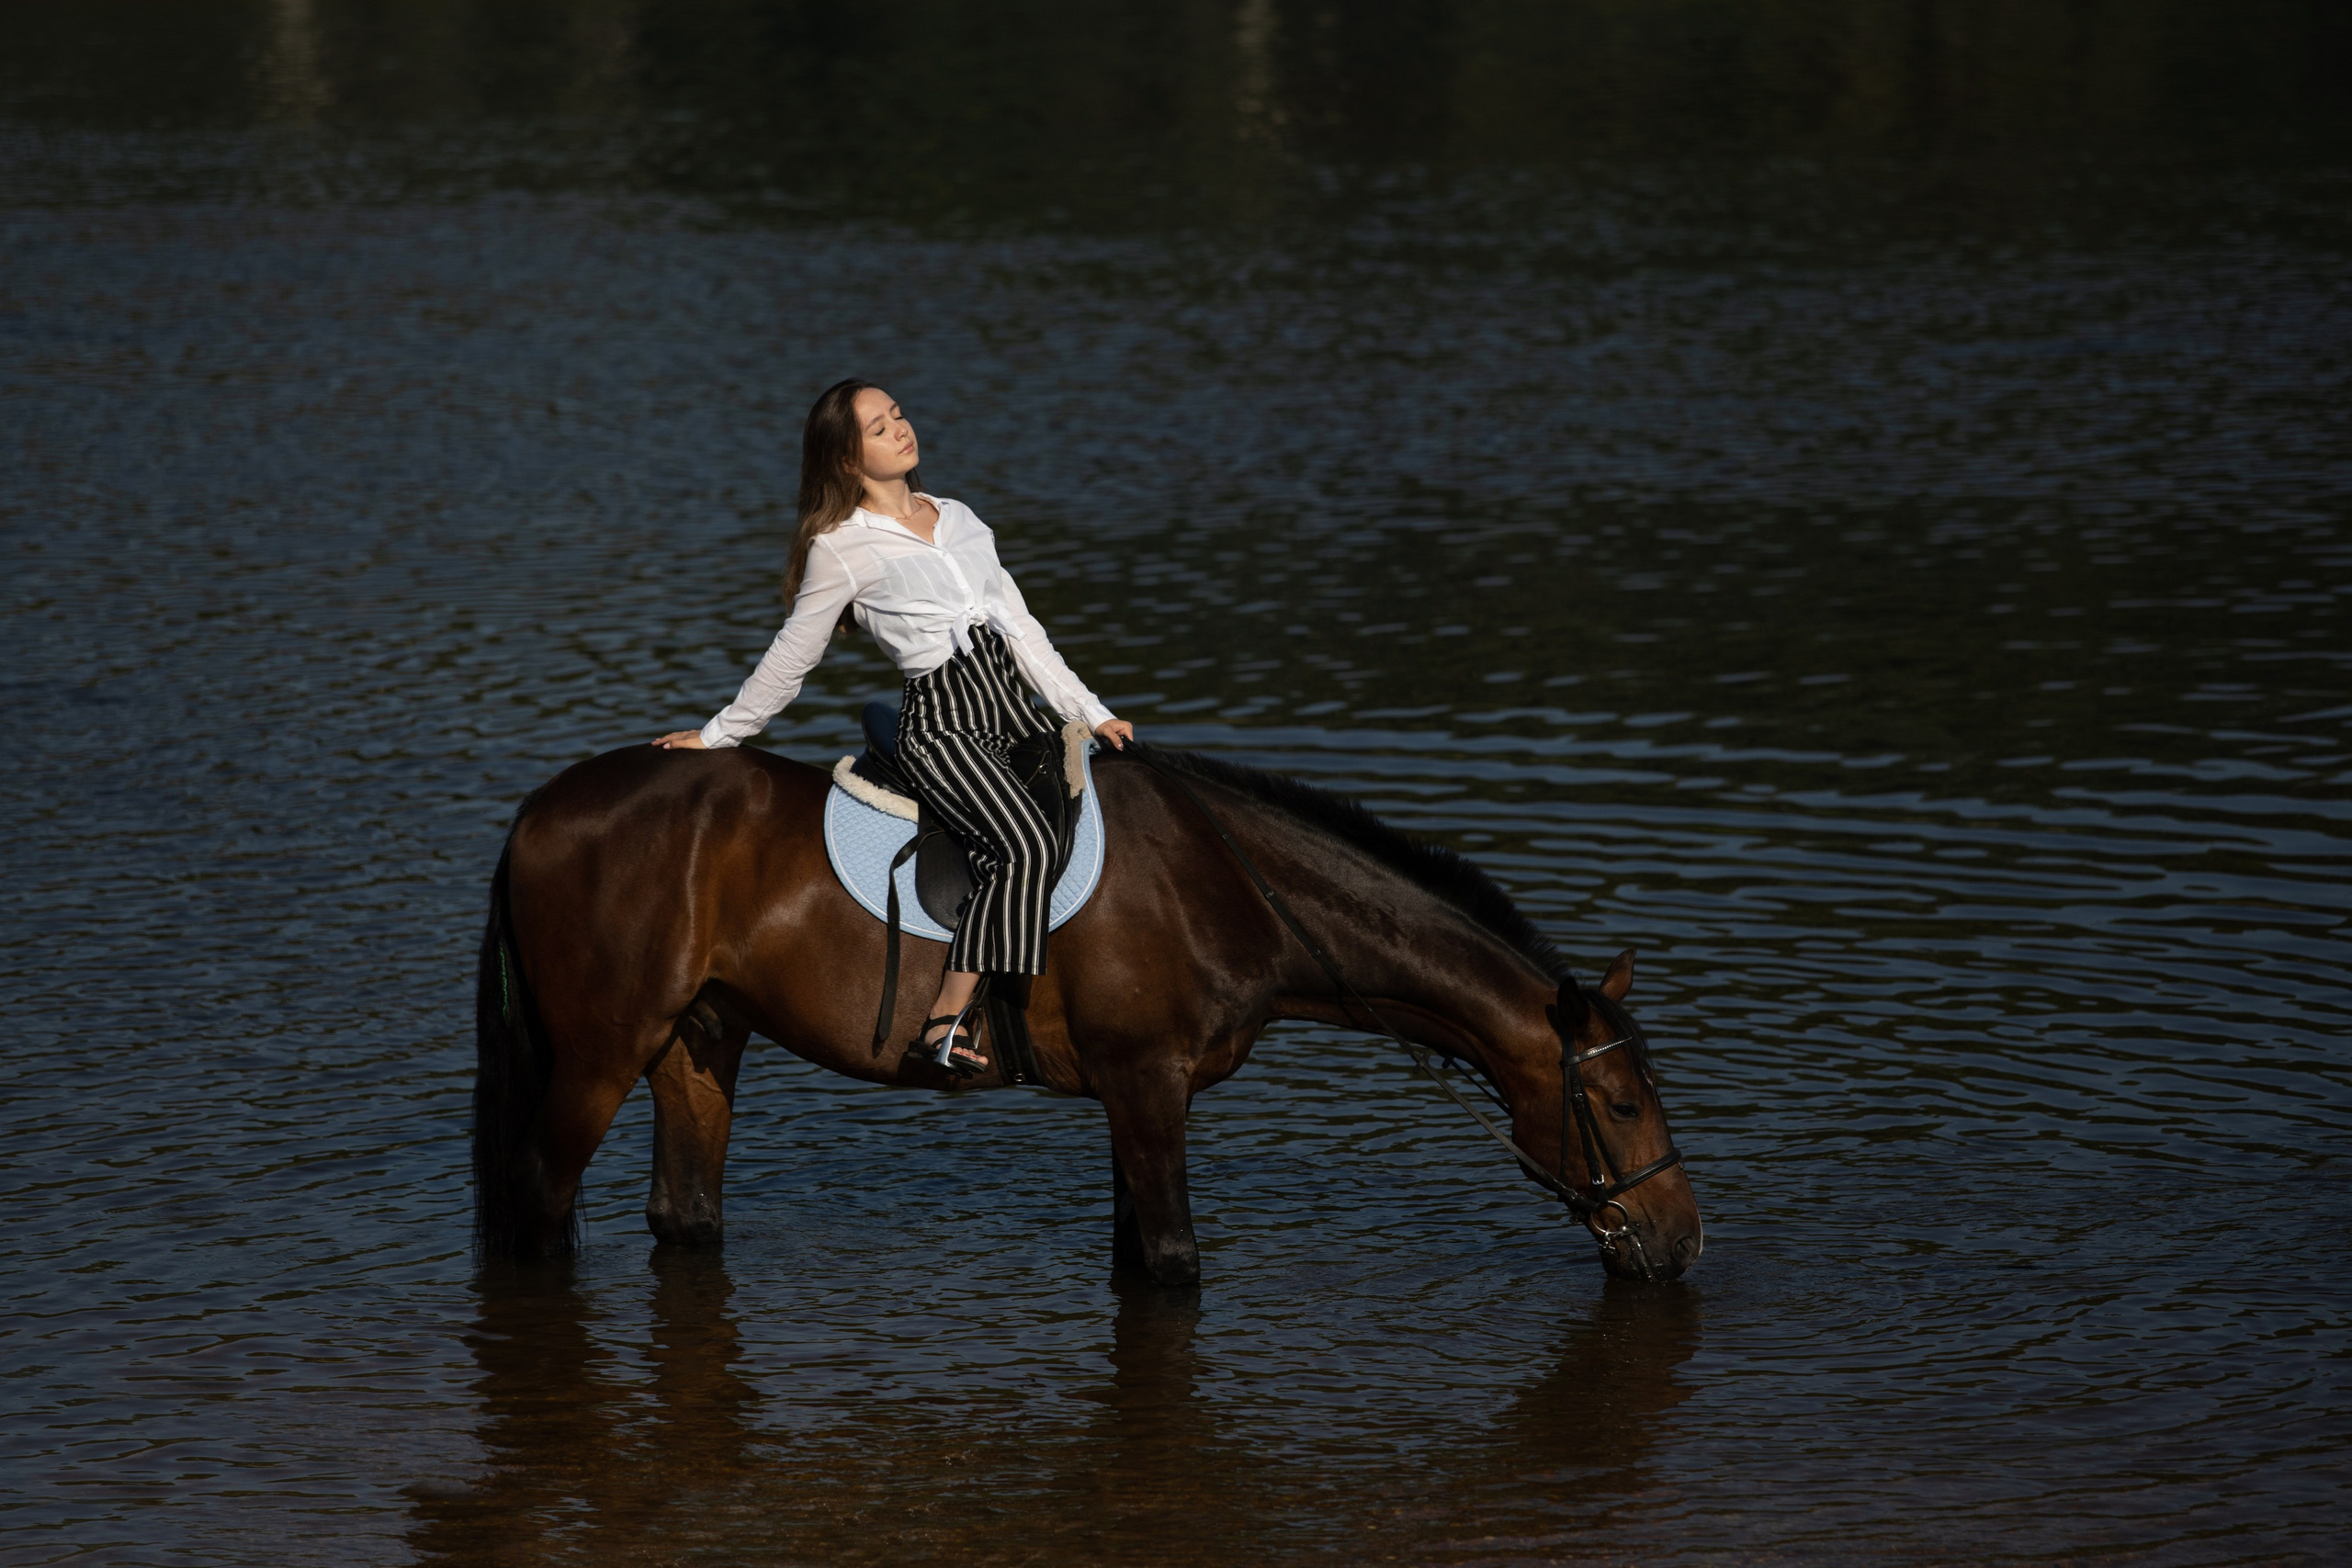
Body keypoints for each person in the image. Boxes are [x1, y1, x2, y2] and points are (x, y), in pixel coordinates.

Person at [656, 379, 1135, 1075]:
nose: (901, 429)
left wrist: (1093, 712)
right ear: (847, 460)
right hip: (944, 729)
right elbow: (794, 655)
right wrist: (720, 734)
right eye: (878, 428)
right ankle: (943, 1021)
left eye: (899, 415)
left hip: (1015, 716)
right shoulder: (839, 546)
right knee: (1023, 844)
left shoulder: (960, 517)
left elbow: (1024, 633)